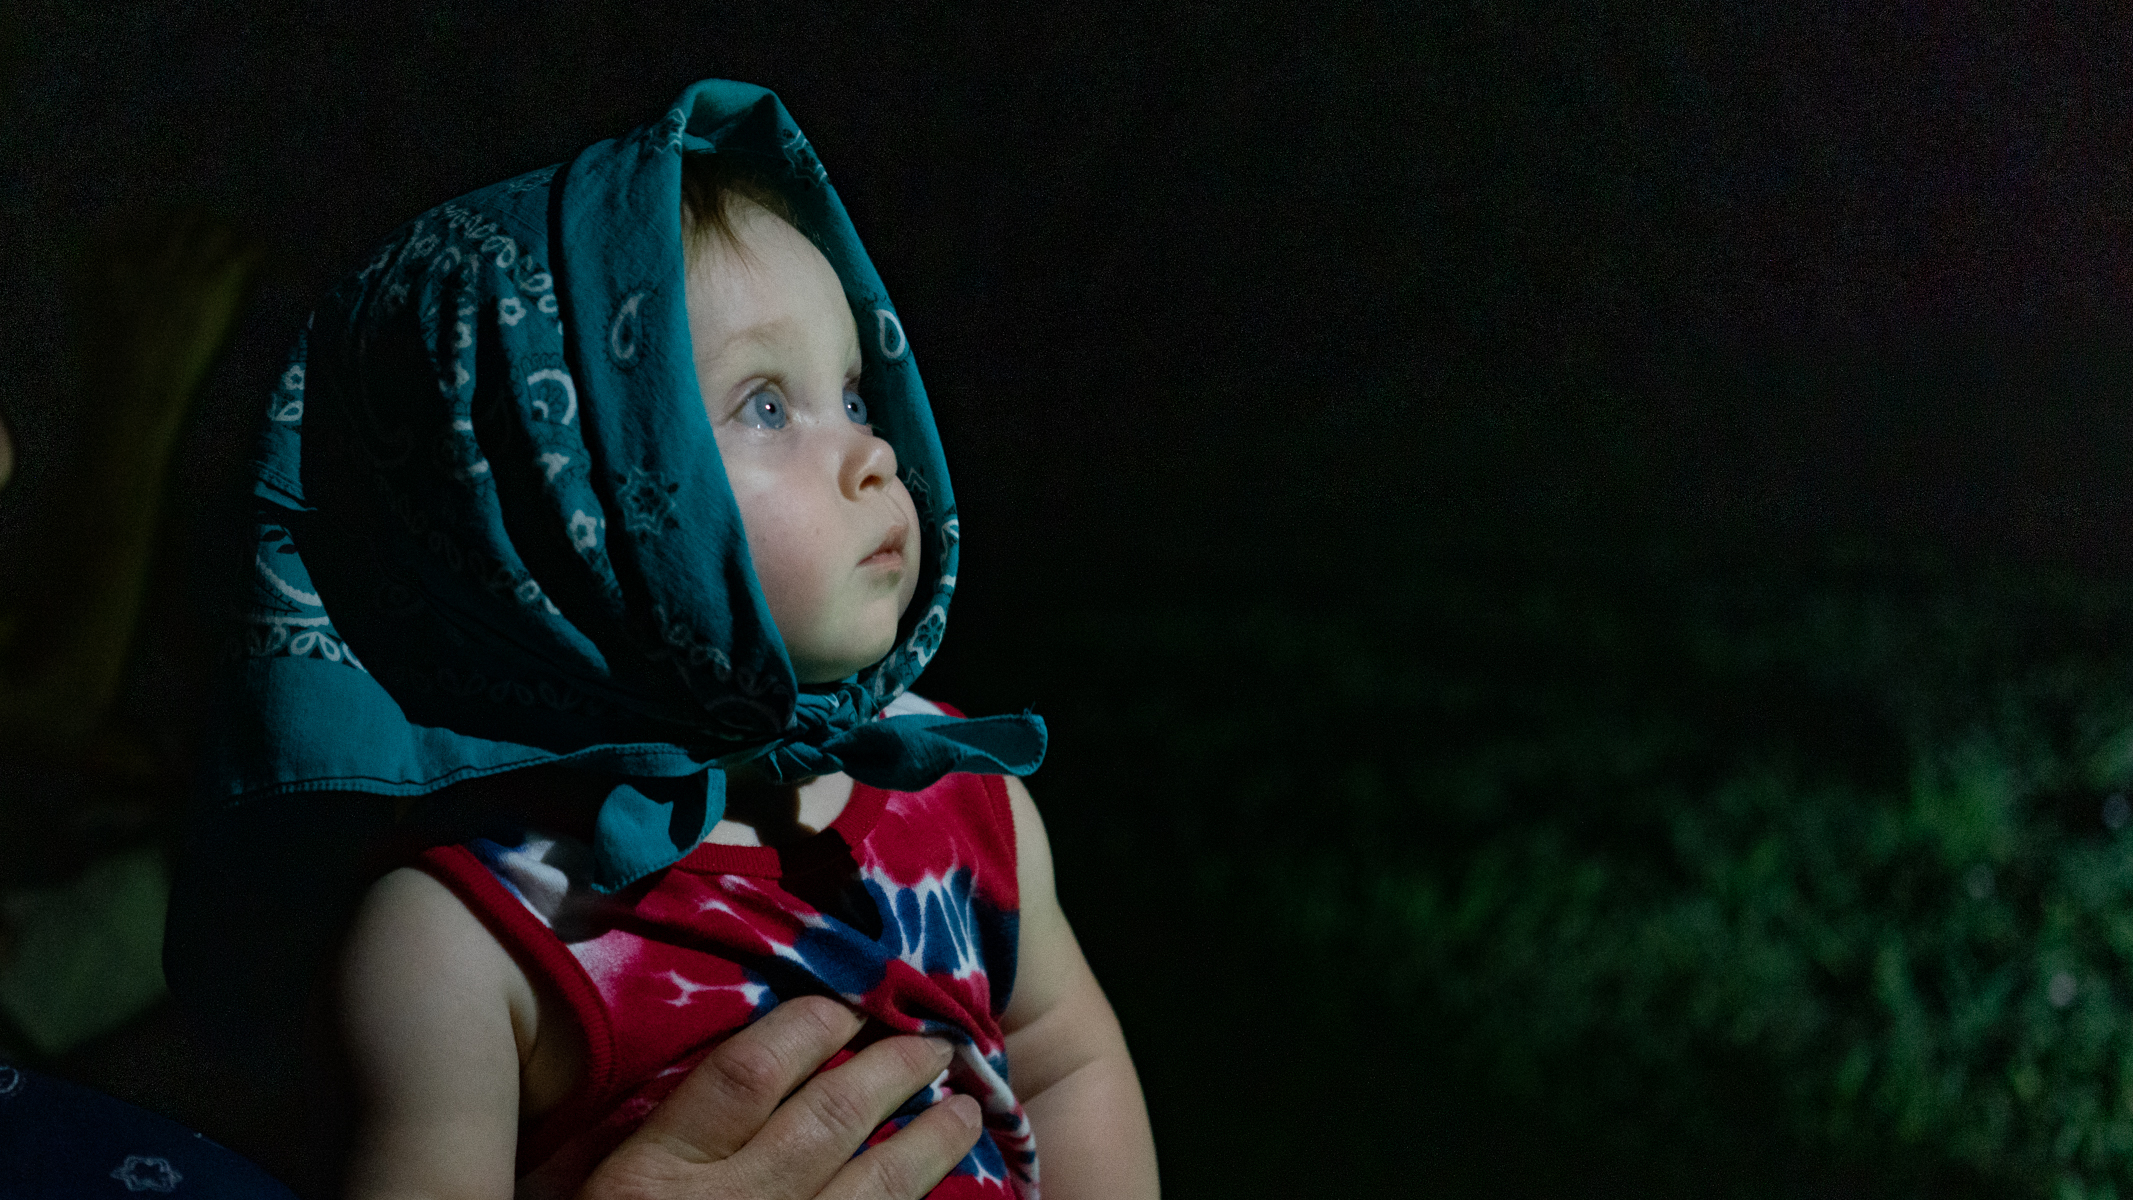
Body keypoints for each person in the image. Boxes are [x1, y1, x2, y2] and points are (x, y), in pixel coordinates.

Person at [167, 81, 1158, 1199]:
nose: (872, 457)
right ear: (543, 506)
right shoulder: (467, 939)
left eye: (855, 393)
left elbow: (1070, 1062)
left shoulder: (962, 800)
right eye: (766, 407)